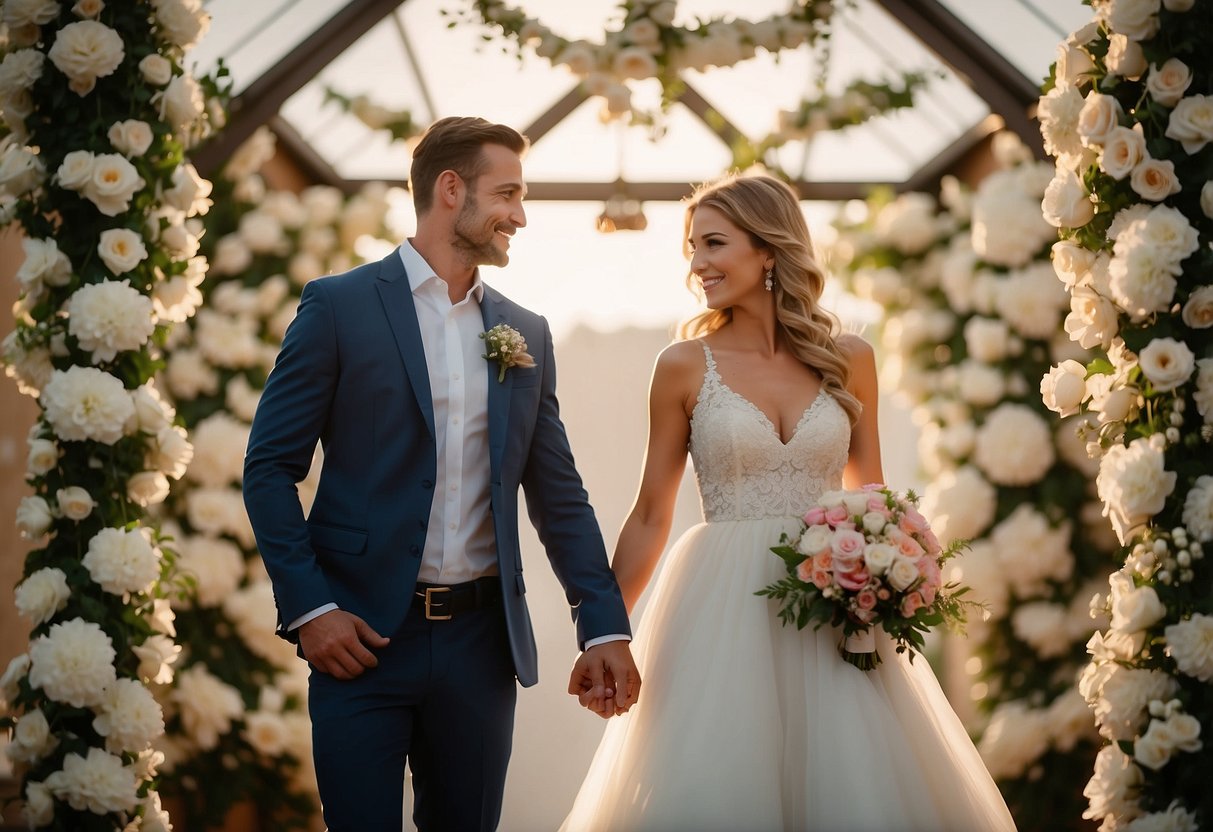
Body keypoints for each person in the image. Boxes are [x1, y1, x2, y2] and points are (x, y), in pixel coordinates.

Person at [561, 173, 1016, 831]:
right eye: (691, 248)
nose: (697, 265)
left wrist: (900, 569)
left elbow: (873, 495)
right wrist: (606, 632)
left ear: (767, 250)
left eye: (713, 244)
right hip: (720, 611)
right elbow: (651, 513)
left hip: (833, 609)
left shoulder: (849, 358)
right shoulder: (683, 365)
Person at [243, 116, 639, 832]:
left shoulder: (526, 332)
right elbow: (269, 467)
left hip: (480, 651)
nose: (519, 215)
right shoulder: (338, 307)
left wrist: (602, 625)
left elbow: (557, 495)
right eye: (508, 193)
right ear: (451, 190)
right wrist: (311, 611)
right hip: (359, 641)